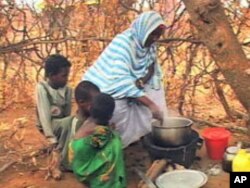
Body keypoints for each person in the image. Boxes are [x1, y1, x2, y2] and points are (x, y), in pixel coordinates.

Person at [82, 11, 167, 148]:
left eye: (158, 35)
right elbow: (120, 81)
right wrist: (150, 105)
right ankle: (117, 143)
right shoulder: (123, 44)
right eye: (152, 34)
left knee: (154, 91)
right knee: (118, 105)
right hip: (105, 86)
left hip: (133, 82)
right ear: (143, 30)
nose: (155, 38)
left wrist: (141, 83)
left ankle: (144, 133)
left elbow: (151, 67)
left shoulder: (149, 45)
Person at [68, 93, 126, 188]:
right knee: (115, 142)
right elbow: (103, 136)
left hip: (79, 168)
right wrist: (112, 132)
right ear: (111, 116)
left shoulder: (86, 126)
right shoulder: (107, 133)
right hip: (91, 173)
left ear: (90, 108)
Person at [35, 54, 72, 179]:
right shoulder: (42, 88)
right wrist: (51, 139)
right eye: (64, 76)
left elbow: (67, 113)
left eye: (67, 75)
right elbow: (44, 115)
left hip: (62, 123)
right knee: (69, 123)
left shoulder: (67, 90)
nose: (66, 79)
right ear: (51, 75)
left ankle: (64, 156)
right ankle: (59, 163)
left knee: (72, 123)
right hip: (47, 125)